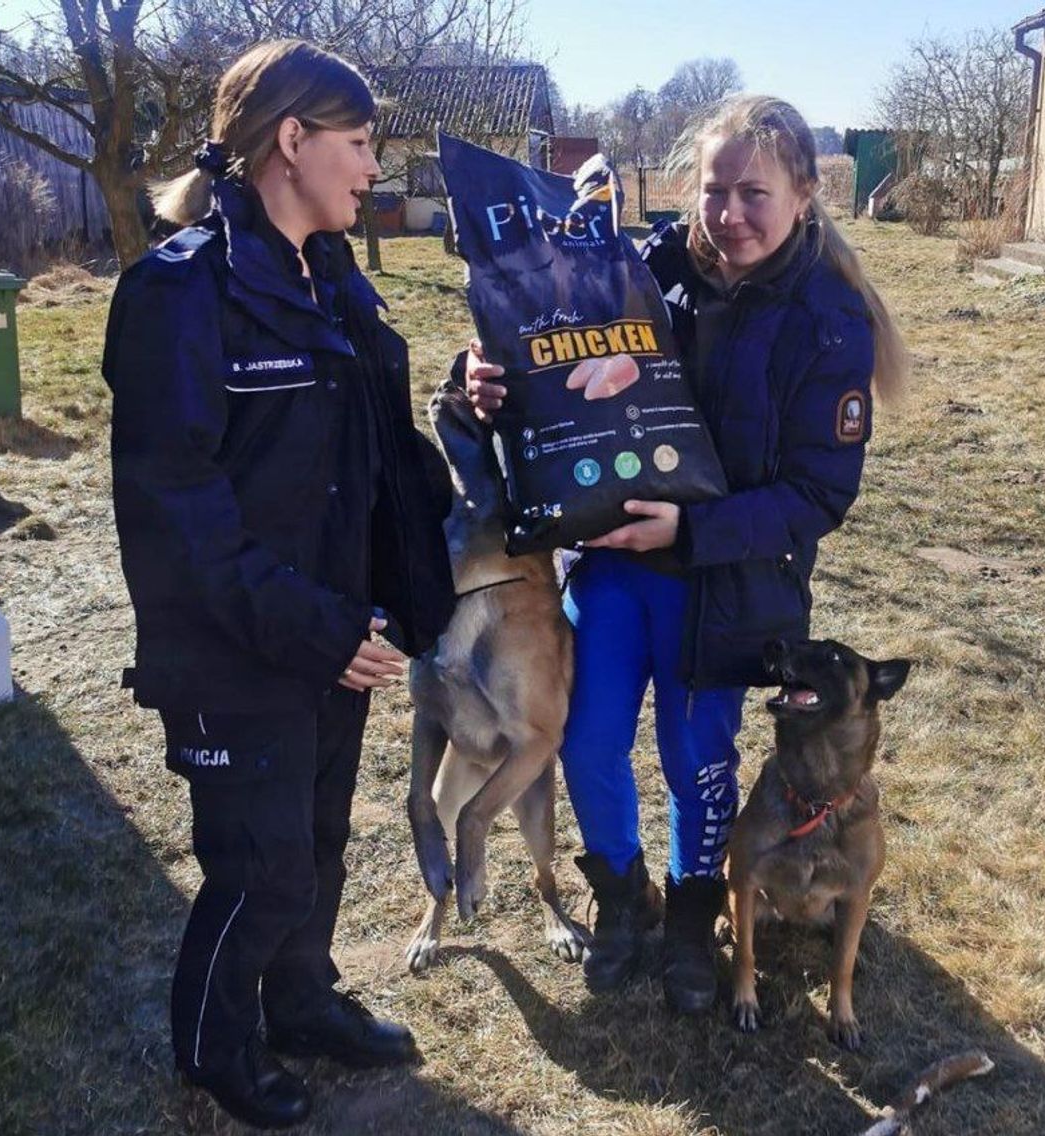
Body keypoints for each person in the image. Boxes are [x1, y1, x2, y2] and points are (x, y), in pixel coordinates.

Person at [466, 95, 907, 1016]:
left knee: (695, 756)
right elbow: (550, 352)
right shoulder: (646, 263)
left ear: (802, 193)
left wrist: (693, 530)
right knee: (586, 740)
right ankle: (623, 895)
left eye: (754, 192)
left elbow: (818, 495)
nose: (730, 214)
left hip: (727, 585)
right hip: (615, 568)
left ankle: (693, 910)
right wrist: (481, 378)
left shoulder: (829, 319)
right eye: (715, 191)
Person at [103, 40, 455, 1129]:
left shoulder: (332, 280)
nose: (372, 169)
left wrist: (465, 435)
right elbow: (177, 518)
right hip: (240, 646)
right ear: (290, 141)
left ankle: (302, 1000)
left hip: (336, 635)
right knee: (260, 866)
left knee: (318, 841)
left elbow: (375, 456)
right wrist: (318, 628)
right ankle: (216, 1045)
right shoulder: (178, 296)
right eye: (358, 145)